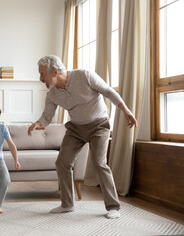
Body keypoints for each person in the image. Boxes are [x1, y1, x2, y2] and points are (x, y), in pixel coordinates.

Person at [28, 55, 137, 219]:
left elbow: (108, 91)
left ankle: (113, 206)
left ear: (55, 71)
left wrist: (126, 110)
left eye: (42, 74)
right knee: (62, 162)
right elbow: (47, 116)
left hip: (99, 125)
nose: (40, 78)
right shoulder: (52, 94)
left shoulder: (84, 76)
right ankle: (67, 204)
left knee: (99, 163)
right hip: (76, 129)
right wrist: (38, 123)